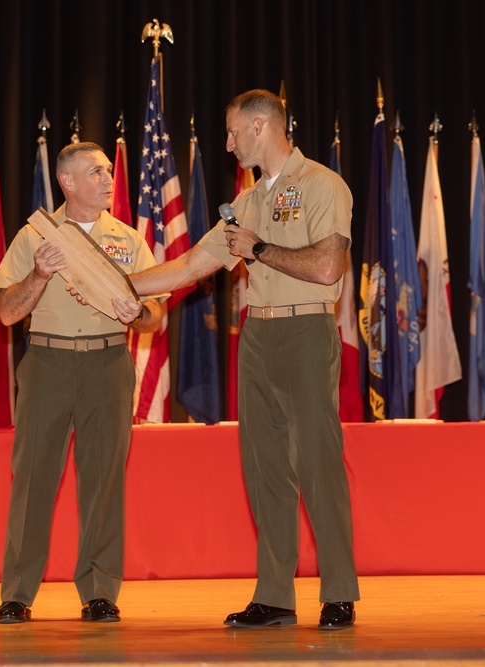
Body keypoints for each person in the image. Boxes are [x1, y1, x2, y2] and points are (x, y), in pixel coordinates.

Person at [127, 89, 361, 629]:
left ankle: (339, 592)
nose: (228, 143)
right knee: (264, 470)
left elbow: (329, 267)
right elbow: (188, 267)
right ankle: (275, 595)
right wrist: (116, 285)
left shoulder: (324, 184)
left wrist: (256, 249)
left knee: (318, 463)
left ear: (261, 126)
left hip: (306, 331)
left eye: (234, 132)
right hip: (257, 339)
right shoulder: (249, 201)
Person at [0, 141, 164, 624]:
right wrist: (40, 275)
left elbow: (155, 317)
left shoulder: (128, 240)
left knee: (104, 483)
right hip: (47, 364)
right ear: (66, 181)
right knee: (32, 482)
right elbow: (6, 312)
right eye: (97, 172)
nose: (109, 179)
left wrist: (139, 313)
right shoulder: (36, 236)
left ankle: (100, 591)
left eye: (109, 171)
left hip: (107, 365)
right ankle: (18, 594)